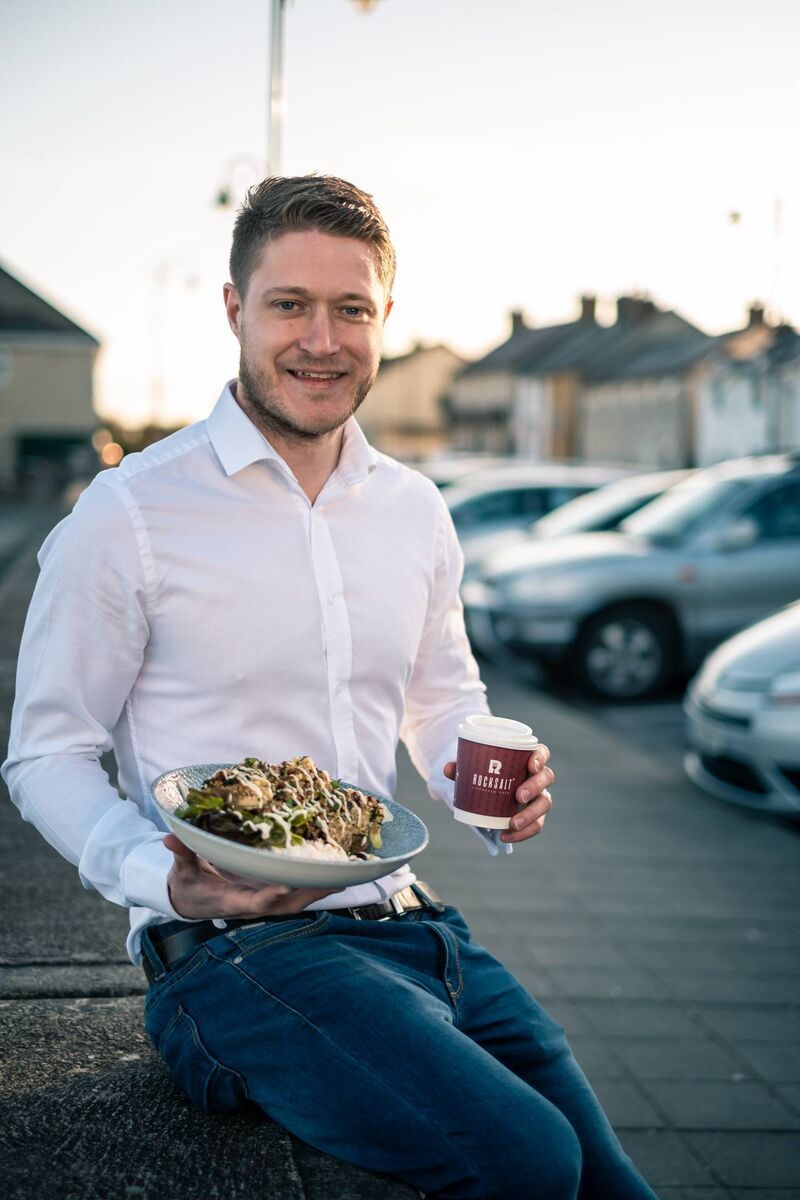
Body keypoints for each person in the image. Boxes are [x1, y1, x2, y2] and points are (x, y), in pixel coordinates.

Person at [3, 175, 658, 1200]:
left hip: (413, 925)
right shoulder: (128, 515)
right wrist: (164, 876)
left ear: (384, 319)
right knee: (527, 1161)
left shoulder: (412, 511)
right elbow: (45, 754)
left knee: (613, 1187)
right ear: (234, 310)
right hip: (235, 958)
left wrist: (492, 783)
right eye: (288, 304)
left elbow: (439, 702)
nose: (321, 338)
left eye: (350, 308)